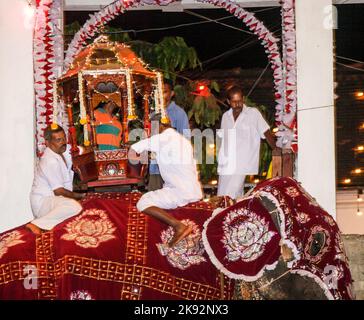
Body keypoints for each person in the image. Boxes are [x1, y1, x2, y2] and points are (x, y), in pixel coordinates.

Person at [131, 114, 202, 247]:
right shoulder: (182, 139)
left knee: (144, 201)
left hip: (179, 191)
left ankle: (178, 226)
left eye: (151, 128)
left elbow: (134, 149)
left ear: (159, 126)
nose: (150, 132)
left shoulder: (161, 139)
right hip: (193, 189)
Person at [217, 86, 280, 199]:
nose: (237, 104)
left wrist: (275, 148)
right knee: (223, 194)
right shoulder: (225, 117)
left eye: (240, 101)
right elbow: (223, 140)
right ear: (228, 102)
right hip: (226, 163)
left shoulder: (253, 113)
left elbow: (265, 131)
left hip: (242, 163)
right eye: (234, 102)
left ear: (243, 99)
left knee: (230, 194)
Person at [27, 125, 85, 235]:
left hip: (58, 200)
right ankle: (36, 224)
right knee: (73, 206)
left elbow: (81, 150)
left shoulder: (64, 148)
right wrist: (80, 196)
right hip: (44, 202)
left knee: (74, 206)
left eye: (64, 138)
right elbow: (58, 191)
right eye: (58, 140)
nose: (63, 142)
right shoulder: (49, 160)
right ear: (47, 143)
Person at [148, 79, 190, 191]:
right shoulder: (152, 114)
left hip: (173, 168)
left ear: (172, 94)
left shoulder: (179, 113)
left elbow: (186, 140)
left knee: (173, 202)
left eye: (165, 92)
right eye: (159, 92)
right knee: (154, 199)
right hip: (155, 167)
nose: (161, 95)